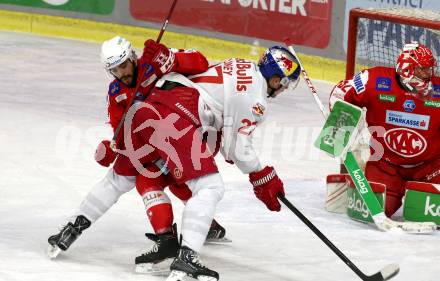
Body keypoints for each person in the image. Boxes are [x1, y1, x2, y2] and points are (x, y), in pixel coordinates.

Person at [122, 45, 301, 281]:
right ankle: (186, 258)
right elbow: (237, 149)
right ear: (276, 79)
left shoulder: (243, 64)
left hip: (158, 105)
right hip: (178, 115)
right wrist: (262, 176)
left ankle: (167, 243)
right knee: (210, 187)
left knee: (160, 176)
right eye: (285, 83)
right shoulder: (256, 99)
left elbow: (227, 135)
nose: (282, 89)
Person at [47, 36, 227, 268]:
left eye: (123, 65)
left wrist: (170, 58)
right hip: (155, 141)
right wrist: (114, 148)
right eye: (114, 69)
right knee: (146, 178)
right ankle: (173, 235)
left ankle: (183, 234)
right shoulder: (116, 92)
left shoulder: (155, 61)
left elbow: (201, 62)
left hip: (189, 131)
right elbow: (122, 128)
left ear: (132, 57)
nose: (121, 73)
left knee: (171, 180)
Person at [329, 42, 440, 218]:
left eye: (429, 69)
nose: (429, 74)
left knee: (428, 217)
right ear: (407, 69)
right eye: (423, 69)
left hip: (430, 169)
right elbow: (340, 94)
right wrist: (340, 130)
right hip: (386, 166)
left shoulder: (437, 90)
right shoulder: (374, 81)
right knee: (373, 212)